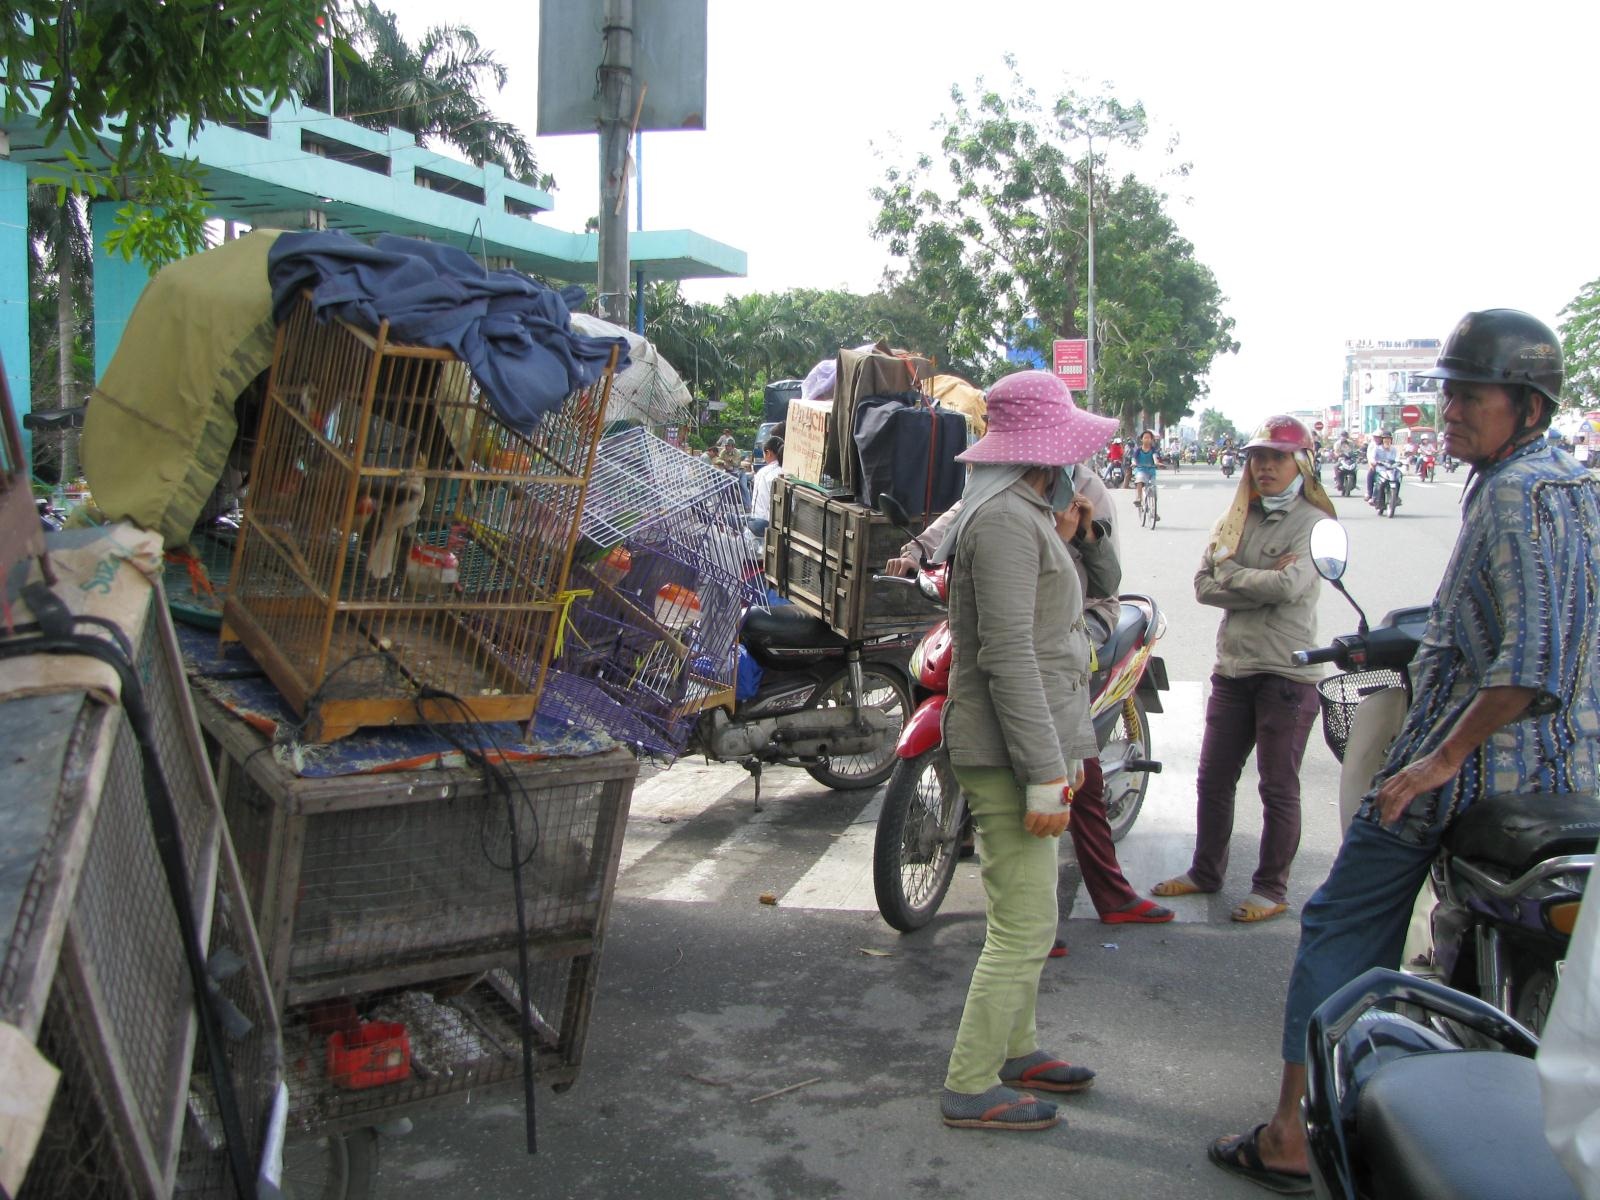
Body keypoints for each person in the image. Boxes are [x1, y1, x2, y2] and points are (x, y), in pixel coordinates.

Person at [1208, 310, 1600, 1194]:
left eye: (1472, 396)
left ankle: (1289, 1136)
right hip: (1569, 774)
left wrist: (1437, 761)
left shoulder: (1513, 496)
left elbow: (1529, 668)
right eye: (1450, 393)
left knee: (1340, 922)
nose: (1451, 411)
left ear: (1528, 406)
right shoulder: (1567, 484)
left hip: (1479, 771)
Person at [930, 369, 1118, 1132]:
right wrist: (1045, 771)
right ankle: (971, 1083)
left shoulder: (1028, 513)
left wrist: (1072, 537)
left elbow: (1045, 620)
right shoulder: (1006, 520)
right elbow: (1007, 656)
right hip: (1010, 750)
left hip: (1028, 738)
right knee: (1025, 925)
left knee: (1024, 911)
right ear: (1045, 454)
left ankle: (1017, 1049)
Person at [888, 467, 1175, 932]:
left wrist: (1081, 533)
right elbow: (956, 519)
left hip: (1080, 617)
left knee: (1074, 749)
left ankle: (1109, 890)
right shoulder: (998, 491)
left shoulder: (1087, 490)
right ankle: (994, 875)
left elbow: (1105, 580)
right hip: (1015, 630)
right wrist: (917, 549)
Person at [1153, 415, 1334, 924]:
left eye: (1277, 457)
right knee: (1213, 778)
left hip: (1286, 675)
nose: (1266, 467)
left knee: (1278, 786)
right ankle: (1205, 871)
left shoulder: (1316, 525)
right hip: (1233, 668)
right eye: (1259, 457)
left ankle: (1271, 887)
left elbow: (1290, 587)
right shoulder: (1235, 519)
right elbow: (1202, 586)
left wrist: (1231, 574)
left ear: (1300, 464)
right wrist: (1247, 578)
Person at [746, 436, 784, 537]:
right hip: (778, 525)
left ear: (768, 453)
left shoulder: (764, 473)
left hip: (760, 524)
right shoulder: (786, 472)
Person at [1130, 429, 1160, 508]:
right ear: (1141, 439)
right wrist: (1134, 463)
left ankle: (1154, 511)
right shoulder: (1138, 450)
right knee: (1139, 480)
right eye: (1145, 437)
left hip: (1151, 471)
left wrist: (1156, 463)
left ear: (1151, 440)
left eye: (1149, 438)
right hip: (1140, 470)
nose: (1147, 439)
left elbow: (1154, 457)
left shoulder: (1153, 449)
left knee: (1154, 491)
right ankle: (1139, 498)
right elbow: (1134, 458)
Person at [1365, 429, 1396, 502]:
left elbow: (1395, 458)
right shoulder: (1375, 447)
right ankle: (1371, 494)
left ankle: (1395, 496)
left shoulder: (1393, 448)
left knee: (1398, 476)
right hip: (1379, 466)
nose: (1387, 440)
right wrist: (1373, 462)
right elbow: (1371, 456)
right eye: (1385, 438)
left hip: (1390, 467)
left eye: (1389, 438)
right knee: (1372, 474)